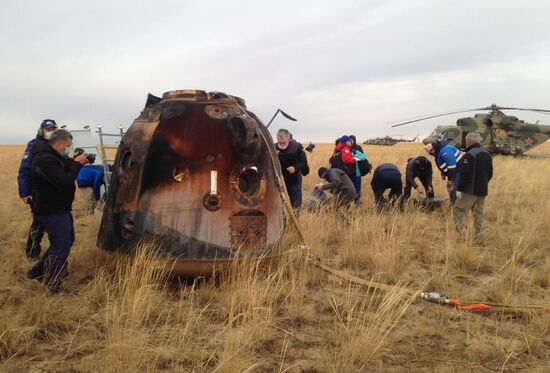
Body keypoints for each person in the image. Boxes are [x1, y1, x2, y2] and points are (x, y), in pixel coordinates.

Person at [26, 129, 89, 294]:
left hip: (59, 208)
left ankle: (38, 272)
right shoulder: (44, 160)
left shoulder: (53, 156)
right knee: (61, 246)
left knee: (67, 240)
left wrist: (75, 160)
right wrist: (77, 164)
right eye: (67, 146)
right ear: (59, 144)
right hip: (51, 210)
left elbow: (63, 167)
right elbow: (64, 181)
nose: (68, 149)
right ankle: (53, 285)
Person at [17, 119, 58, 259]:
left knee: (57, 222)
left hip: (54, 192)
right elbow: (24, 171)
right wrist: (24, 192)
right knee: (39, 223)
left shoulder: (57, 146)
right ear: (41, 131)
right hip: (37, 193)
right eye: (48, 129)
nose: (51, 132)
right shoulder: (33, 146)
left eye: (53, 129)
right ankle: (32, 252)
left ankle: (56, 253)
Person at [453, 133, 493, 244]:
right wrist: (483, 184)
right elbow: (490, 173)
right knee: (478, 214)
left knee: (458, 210)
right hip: (483, 190)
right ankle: (480, 239)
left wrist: (459, 189)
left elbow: (465, 174)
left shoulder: (469, 155)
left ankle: (462, 238)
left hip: (469, 190)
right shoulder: (487, 154)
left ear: (469, 142)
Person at [275, 129, 309, 214]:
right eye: (280, 142)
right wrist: (273, 156)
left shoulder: (297, 147)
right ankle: (283, 223)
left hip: (294, 180)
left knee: (296, 205)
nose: (281, 144)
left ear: (288, 139)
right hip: (279, 181)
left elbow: (304, 163)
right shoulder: (273, 147)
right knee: (279, 205)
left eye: (284, 142)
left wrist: (295, 168)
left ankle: (295, 223)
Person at [425, 139, 463, 204]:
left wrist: (450, 179)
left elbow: (451, 165)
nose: (430, 154)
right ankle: (454, 203)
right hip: (455, 171)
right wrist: (444, 173)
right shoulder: (440, 151)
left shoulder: (445, 151)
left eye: (430, 152)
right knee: (451, 188)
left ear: (433, 149)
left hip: (459, 170)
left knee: (452, 188)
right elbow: (445, 164)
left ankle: (455, 206)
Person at [349, 135, 368, 205]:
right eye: (349, 140)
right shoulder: (347, 148)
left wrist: (357, 156)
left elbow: (363, 157)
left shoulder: (358, 148)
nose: (351, 142)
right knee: (350, 188)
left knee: (357, 189)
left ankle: (357, 203)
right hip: (349, 173)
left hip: (357, 172)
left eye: (352, 140)